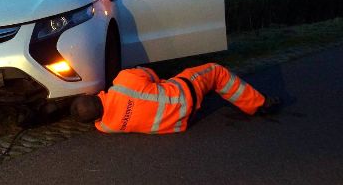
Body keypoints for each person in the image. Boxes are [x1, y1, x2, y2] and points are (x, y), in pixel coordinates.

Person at [70, 63, 281, 134]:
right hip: (185, 94)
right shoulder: (123, 81)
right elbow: (151, 74)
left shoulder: (106, 126)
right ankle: (259, 104)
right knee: (216, 72)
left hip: (179, 124)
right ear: (93, 94)